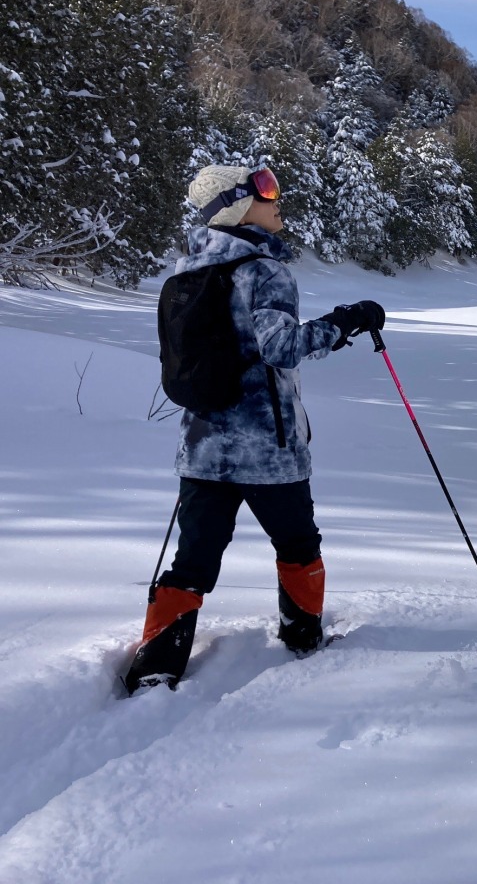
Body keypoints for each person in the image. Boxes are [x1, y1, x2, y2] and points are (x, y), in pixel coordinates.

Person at [124, 164, 384, 694]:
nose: (277, 196)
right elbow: (282, 347)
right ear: (236, 206)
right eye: (265, 188)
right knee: (297, 544)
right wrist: (347, 320)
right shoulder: (264, 270)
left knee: (193, 558)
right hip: (267, 450)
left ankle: (156, 667)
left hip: (203, 445)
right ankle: (302, 639)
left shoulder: (187, 272)